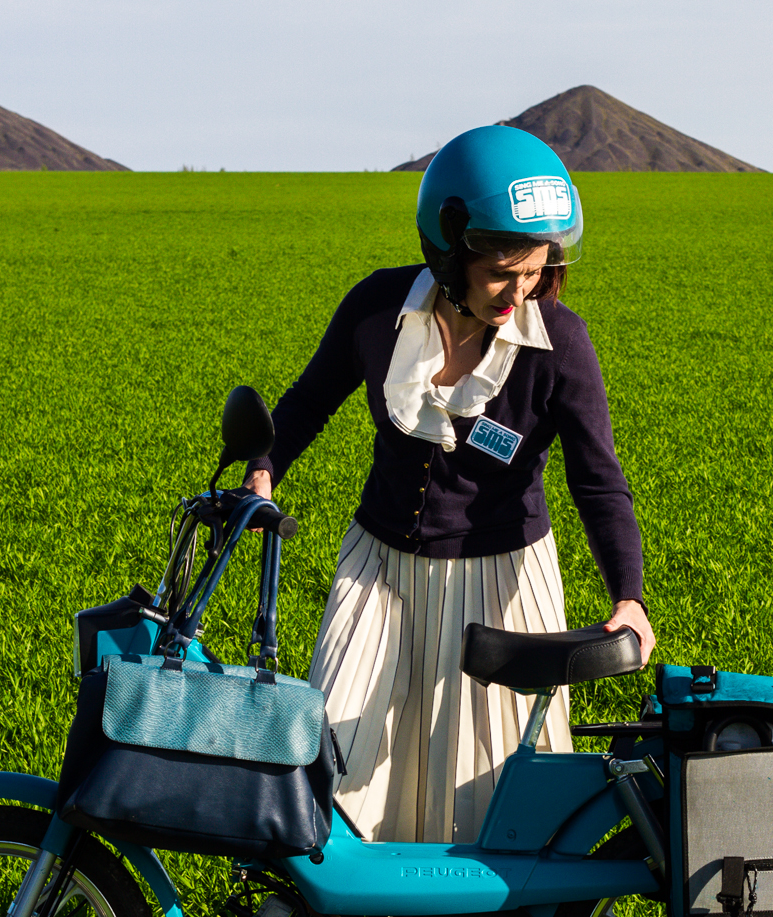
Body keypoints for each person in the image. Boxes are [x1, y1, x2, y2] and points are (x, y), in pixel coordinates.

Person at [244, 126, 652, 844]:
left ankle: (483, 916)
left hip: (502, 579)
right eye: (501, 272)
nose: (520, 291)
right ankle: (345, 906)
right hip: (378, 567)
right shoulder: (377, 310)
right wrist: (263, 469)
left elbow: (599, 482)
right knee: (333, 751)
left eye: (537, 271)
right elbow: (309, 401)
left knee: (490, 782)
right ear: (449, 248)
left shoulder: (561, 345)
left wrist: (629, 596)